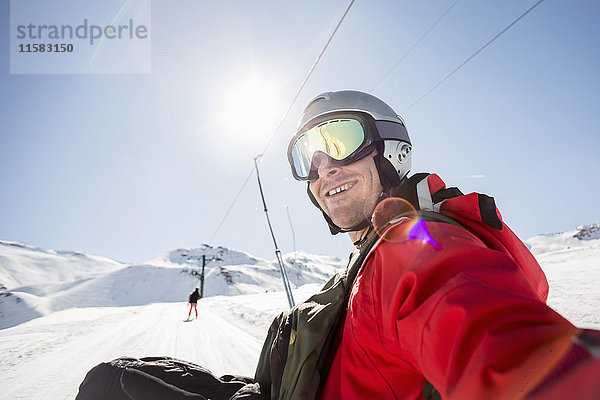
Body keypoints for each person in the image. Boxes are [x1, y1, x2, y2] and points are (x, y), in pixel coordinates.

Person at [76, 91, 599, 400]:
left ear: (389, 150)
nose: (323, 169)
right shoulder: (377, 249)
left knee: (107, 388)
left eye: (340, 142)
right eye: (307, 158)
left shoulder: (417, 243)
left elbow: (506, 353)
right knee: (125, 377)